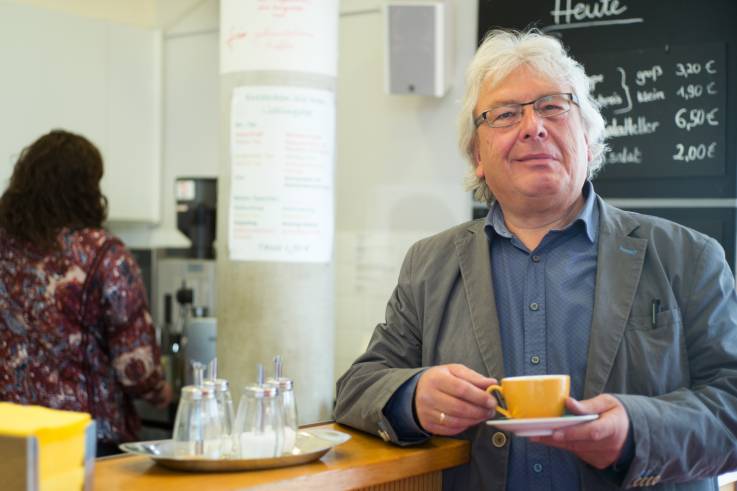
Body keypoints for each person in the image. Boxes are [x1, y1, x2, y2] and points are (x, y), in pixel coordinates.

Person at [334, 29, 737, 490]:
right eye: (505, 114)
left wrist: (637, 430)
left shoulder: (688, 256)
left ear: (587, 137)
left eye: (552, 106)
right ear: (477, 155)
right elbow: (358, 386)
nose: (532, 126)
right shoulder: (430, 264)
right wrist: (412, 396)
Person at [0, 129, 172, 456]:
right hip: (85, 439)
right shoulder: (104, 254)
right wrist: (160, 391)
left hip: (9, 437)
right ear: (85, 189)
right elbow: (135, 364)